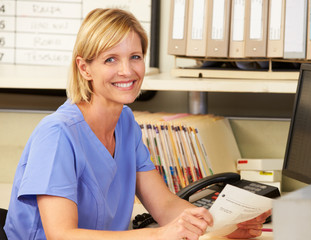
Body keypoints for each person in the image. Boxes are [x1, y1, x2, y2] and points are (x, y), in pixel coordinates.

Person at [3, 8, 271, 240]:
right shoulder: (57, 135)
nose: (127, 71)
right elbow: (61, 235)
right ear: (85, 69)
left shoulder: (125, 122)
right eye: (111, 59)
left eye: (135, 56)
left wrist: (221, 227)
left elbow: (164, 206)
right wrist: (159, 234)